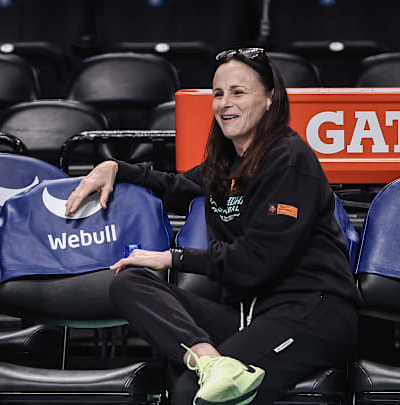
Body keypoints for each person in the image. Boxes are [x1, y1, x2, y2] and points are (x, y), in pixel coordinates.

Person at [65, 48, 361, 405]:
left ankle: (213, 372)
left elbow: (256, 261)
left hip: (312, 312)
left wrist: (173, 258)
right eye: (218, 93)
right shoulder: (228, 162)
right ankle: (212, 363)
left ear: (270, 99)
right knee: (130, 281)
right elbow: (174, 186)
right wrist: (116, 168)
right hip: (249, 313)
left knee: (194, 391)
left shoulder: (289, 159)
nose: (224, 103)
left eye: (238, 92)